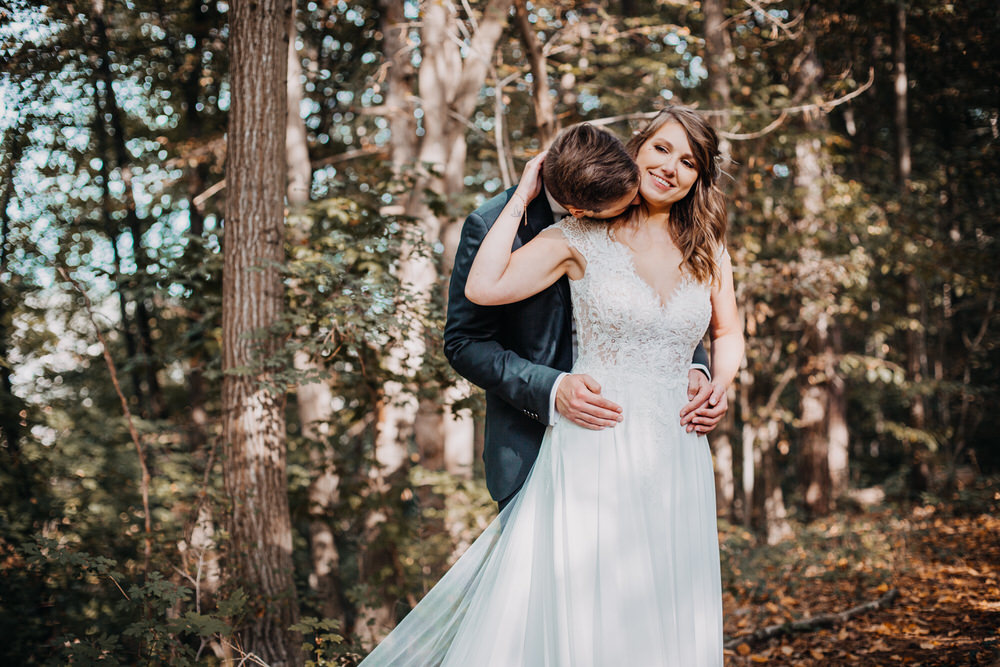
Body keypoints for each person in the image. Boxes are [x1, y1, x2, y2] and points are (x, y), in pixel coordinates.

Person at [359, 106, 743, 666]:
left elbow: (722, 331)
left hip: (678, 452)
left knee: (666, 600)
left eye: (689, 161)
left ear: (699, 177)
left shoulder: (708, 246)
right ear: (635, 148)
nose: (671, 167)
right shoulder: (570, 233)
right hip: (592, 441)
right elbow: (476, 311)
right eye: (662, 148)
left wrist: (715, 380)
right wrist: (521, 197)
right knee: (576, 608)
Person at [443, 122, 727, 512]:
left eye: (687, 161)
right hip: (543, 440)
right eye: (661, 149)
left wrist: (699, 369)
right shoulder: (496, 224)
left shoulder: (632, 195)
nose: (631, 206)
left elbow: (664, 316)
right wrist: (553, 387)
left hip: (666, 440)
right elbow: (464, 342)